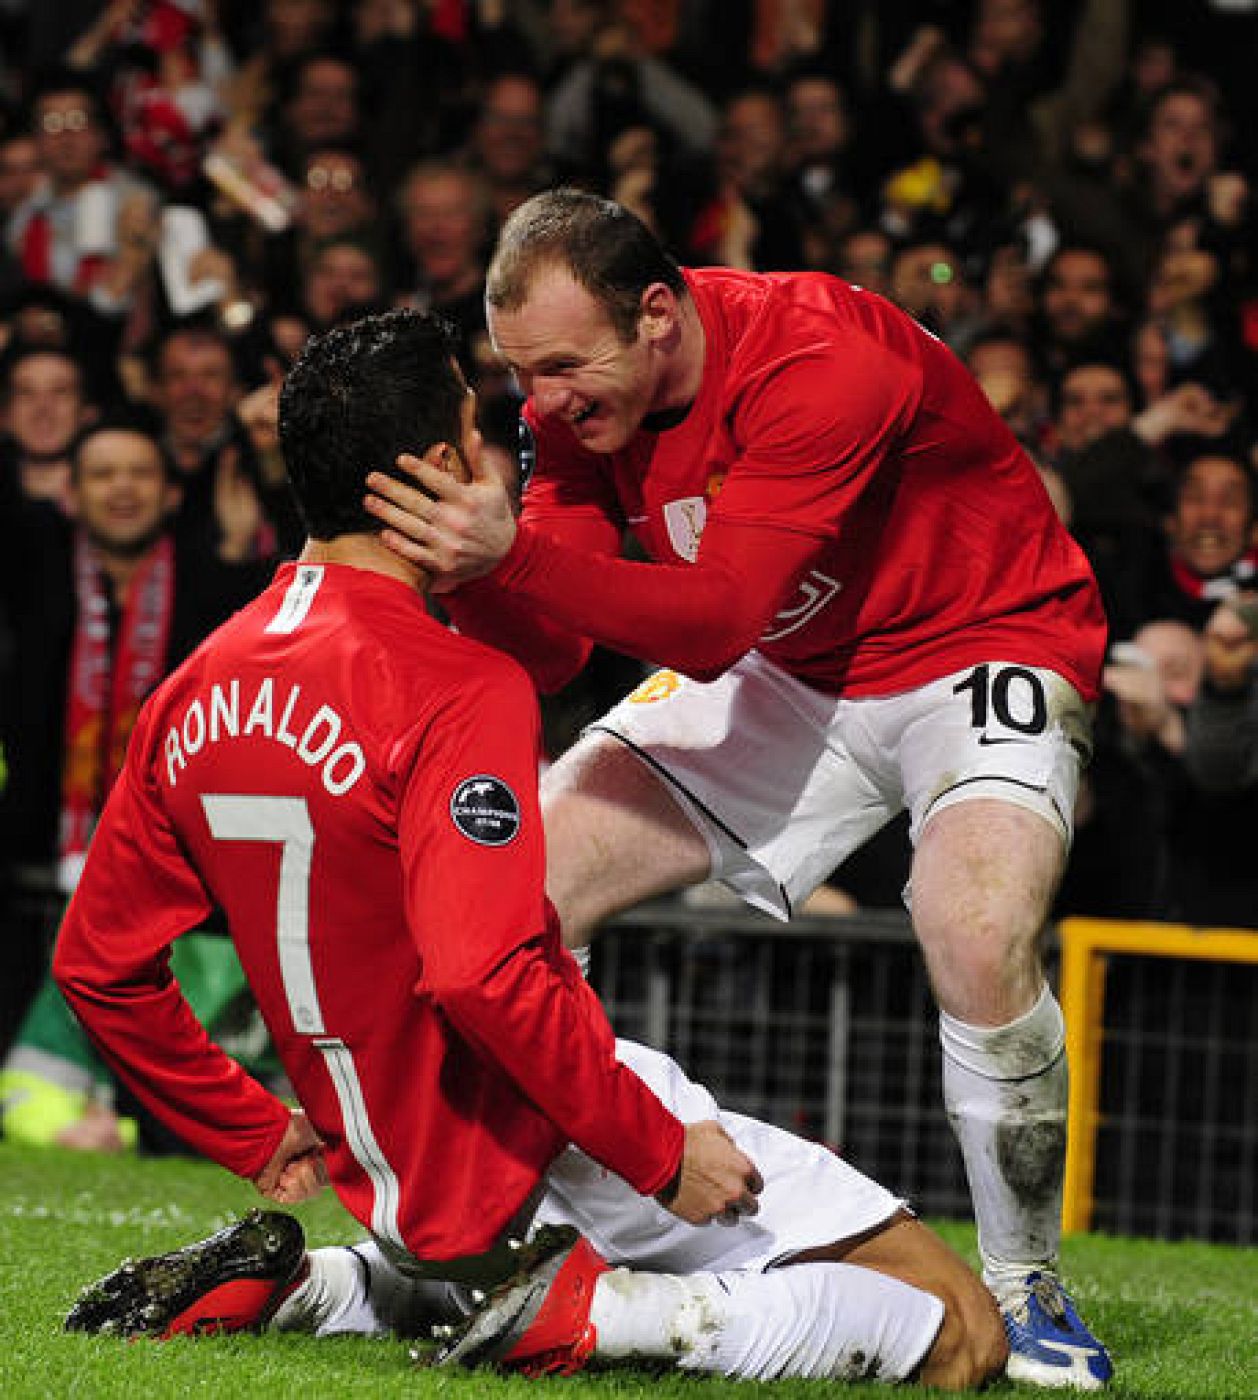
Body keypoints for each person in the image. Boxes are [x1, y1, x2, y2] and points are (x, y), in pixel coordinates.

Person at [54, 308, 1003, 1391]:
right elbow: (479, 971)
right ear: (442, 466)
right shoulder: (450, 682)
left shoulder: (193, 685)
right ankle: (598, 1313)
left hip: (391, 1164)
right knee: (960, 1329)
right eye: (482, 425)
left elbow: (97, 964)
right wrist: (655, 1145)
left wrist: (247, 1123)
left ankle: (313, 1285)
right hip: (538, 1120)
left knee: (460, 1265)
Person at [363, 188, 1113, 1390]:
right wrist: (460, 571)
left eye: (561, 366)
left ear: (657, 313)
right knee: (506, 900)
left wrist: (511, 554)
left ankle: (1023, 1283)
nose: (541, 401)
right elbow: (555, 644)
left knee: (972, 930)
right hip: (793, 666)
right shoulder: (577, 409)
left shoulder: (822, 359)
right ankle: (527, 1227)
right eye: (519, 373)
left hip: (978, 643)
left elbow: (711, 623)